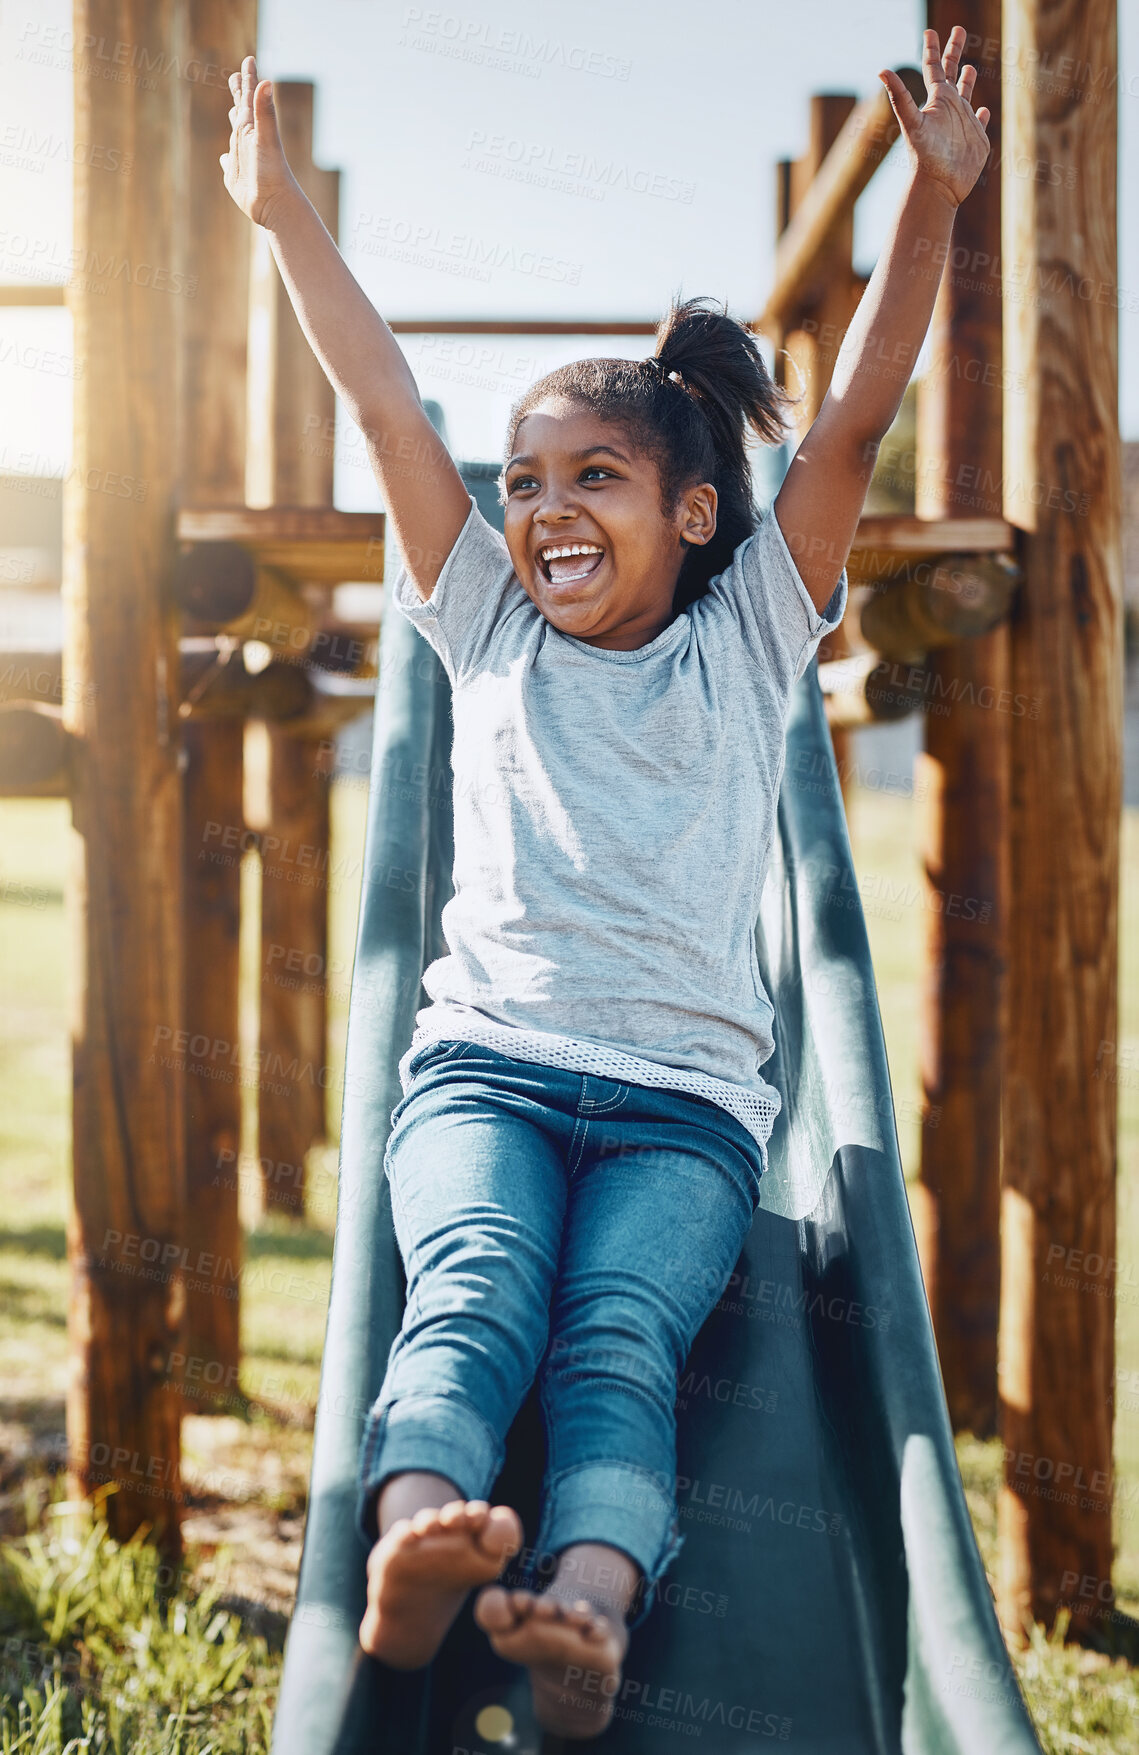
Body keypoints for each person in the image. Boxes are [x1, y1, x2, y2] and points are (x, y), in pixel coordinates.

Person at [221, 30, 990, 1740]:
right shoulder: (481, 620)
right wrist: (278, 218)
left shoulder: (750, 642)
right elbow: (374, 392)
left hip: (685, 1119)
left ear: (700, 512)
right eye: (524, 485)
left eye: (595, 481)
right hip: (484, 1075)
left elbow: (855, 413)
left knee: (616, 1342)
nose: (544, 512)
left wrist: (932, 204)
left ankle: (585, 1610)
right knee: (478, 1284)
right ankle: (417, 1538)